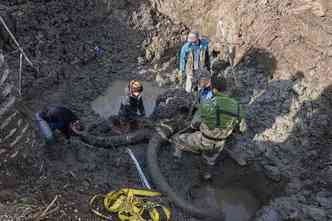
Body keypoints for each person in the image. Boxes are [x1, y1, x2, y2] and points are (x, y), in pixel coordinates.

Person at [172, 76, 246, 180]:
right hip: (220, 144)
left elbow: (194, 124)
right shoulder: (237, 107)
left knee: (177, 139)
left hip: (203, 140)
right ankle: (207, 175)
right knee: (210, 159)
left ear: (214, 89)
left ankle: (176, 163)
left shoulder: (208, 103)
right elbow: (242, 130)